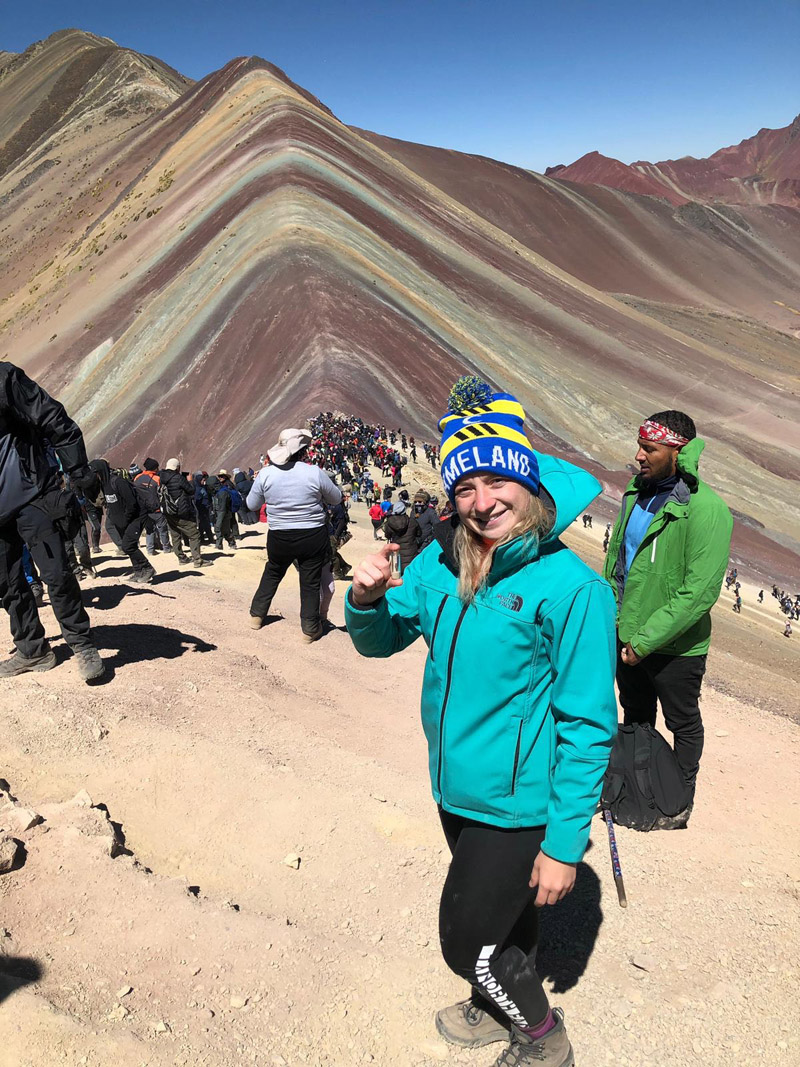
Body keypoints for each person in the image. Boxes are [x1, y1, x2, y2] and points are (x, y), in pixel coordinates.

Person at [346, 384, 616, 1067]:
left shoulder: (572, 589)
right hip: (455, 783)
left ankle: (541, 1036)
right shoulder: (442, 559)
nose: (482, 500)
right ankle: (499, 999)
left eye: (498, 478)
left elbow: (587, 724)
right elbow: (381, 640)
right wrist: (365, 601)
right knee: (502, 917)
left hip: (518, 800)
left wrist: (563, 843)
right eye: (465, 485)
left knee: (465, 941)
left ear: (528, 478)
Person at [603, 410, 732, 826]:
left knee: (682, 722)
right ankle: (636, 789)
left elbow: (699, 593)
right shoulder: (635, 493)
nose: (638, 455)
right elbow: (618, 563)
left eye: (649, 448)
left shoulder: (707, 509)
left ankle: (677, 801)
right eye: (639, 445)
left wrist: (645, 642)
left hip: (675, 646)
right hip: (629, 635)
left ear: (678, 452)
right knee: (636, 714)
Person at [0, 362, 104, 681]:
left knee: (56, 573)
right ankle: (33, 651)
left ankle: (82, 644)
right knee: (7, 584)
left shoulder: (4, 379)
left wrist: (78, 471)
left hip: (33, 496)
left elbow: (53, 417)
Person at [246, 428, 342, 642]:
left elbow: (252, 504)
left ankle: (257, 615)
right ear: (302, 451)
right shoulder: (314, 472)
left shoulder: (266, 474)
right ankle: (309, 628)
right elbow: (335, 498)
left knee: (273, 571)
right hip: (312, 535)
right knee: (310, 581)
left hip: (279, 535)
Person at [87, 460, 154, 584]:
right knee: (129, 546)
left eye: (95, 473)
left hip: (136, 517)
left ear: (101, 471)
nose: (94, 476)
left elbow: (132, 503)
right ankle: (138, 571)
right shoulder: (104, 485)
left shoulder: (118, 482)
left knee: (127, 545)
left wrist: (126, 519)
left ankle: (148, 568)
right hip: (123, 520)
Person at [159, 459, 210, 567]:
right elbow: (191, 490)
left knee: (175, 534)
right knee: (194, 534)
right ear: (177, 468)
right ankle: (198, 560)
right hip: (180, 511)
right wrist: (190, 481)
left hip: (168, 511)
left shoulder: (161, 477)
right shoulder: (178, 478)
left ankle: (181, 558)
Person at [134, 459, 171, 556]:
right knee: (162, 528)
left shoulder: (137, 477)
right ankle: (166, 547)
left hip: (143, 509)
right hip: (156, 508)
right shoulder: (156, 479)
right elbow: (161, 493)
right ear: (155, 468)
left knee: (149, 529)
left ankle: (150, 549)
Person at [382, 500, 420, 572]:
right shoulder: (412, 521)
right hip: (411, 554)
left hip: (397, 554)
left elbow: (387, 536)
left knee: (397, 577)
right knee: (410, 576)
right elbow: (419, 533)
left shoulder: (389, 523)